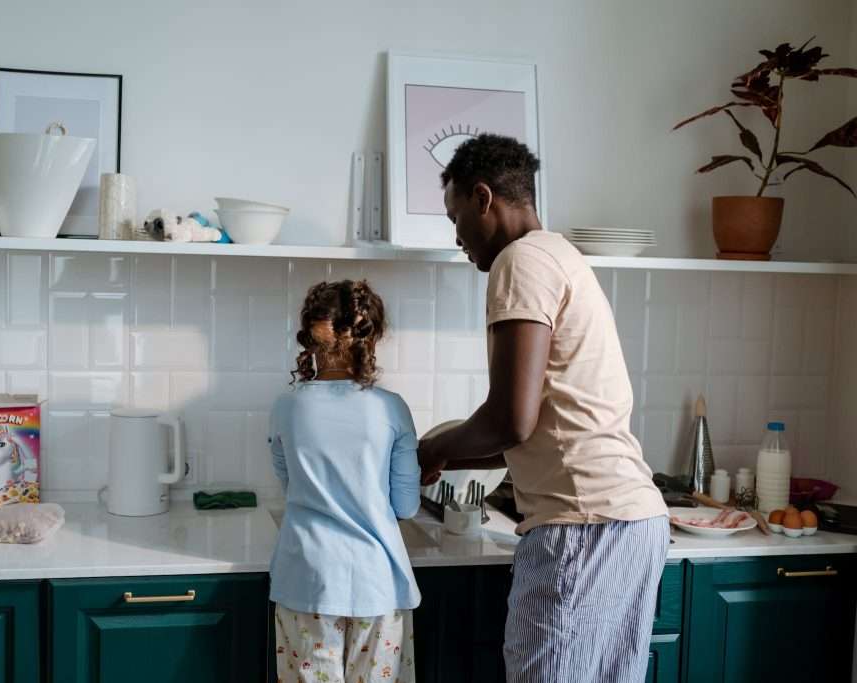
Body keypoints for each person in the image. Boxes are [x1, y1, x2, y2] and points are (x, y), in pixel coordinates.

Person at [418, 133, 669, 682]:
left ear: (484, 199)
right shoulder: (560, 254)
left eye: (455, 216)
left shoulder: (520, 261)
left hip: (582, 527)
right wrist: (443, 459)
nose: (456, 236)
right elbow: (531, 432)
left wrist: (428, 449)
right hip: (633, 521)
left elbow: (510, 419)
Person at [269, 279, 421, 683]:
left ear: (311, 337)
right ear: (372, 337)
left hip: (305, 580)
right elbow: (405, 507)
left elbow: (292, 487)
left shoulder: (287, 407)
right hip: (377, 584)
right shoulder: (391, 409)